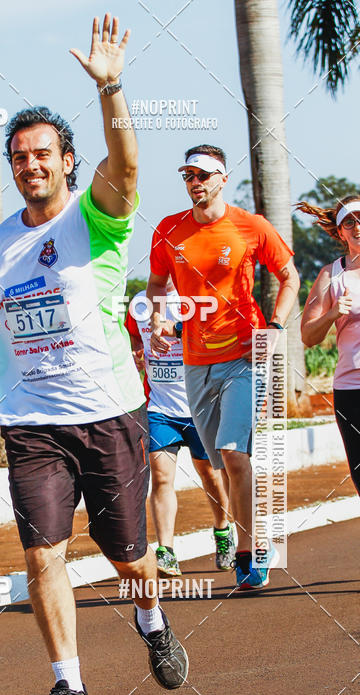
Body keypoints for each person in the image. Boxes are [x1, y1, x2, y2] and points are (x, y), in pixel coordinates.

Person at [0, 14, 188, 695]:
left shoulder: (96, 217)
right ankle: (68, 687)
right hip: (31, 423)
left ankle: (148, 614)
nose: (30, 165)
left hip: (108, 411)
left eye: (42, 154)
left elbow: (129, 168)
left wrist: (111, 89)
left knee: (127, 559)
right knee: (43, 554)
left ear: (69, 160)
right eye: (18, 157)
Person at [148, 145, 299, 590]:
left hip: (245, 355)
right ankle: (247, 534)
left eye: (202, 174)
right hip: (195, 362)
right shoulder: (168, 230)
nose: (195, 182)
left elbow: (289, 275)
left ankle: (250, 549)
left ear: (221, 178)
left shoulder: (250, 226)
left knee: (235, 454)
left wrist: (273, 328)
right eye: (188, 175)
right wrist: (159, 316)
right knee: (215, 462)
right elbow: (157, 283)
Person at [126, 289, 235, 577]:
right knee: (161, 477)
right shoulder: (139, 303)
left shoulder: (198, 298)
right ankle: (166, 551)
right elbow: (133, 337)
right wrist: (136, 353)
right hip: (160, 407)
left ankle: (223, 530)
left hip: (200, 404)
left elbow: (216, 333)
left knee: (209, 475)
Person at [298, 195, 360, 493]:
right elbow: (308, 336)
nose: (357, 226)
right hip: (351, 390)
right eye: (349, 221)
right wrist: (333, 314)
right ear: (339, 232)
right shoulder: (331, 275)